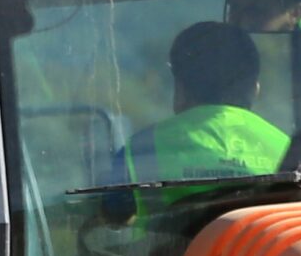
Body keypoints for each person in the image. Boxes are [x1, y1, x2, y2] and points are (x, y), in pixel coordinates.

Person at [119, 20, 292, 211]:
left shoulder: (140, 150)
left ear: (180, 88)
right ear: (255, 90)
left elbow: (107, 216)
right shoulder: (288, 151)